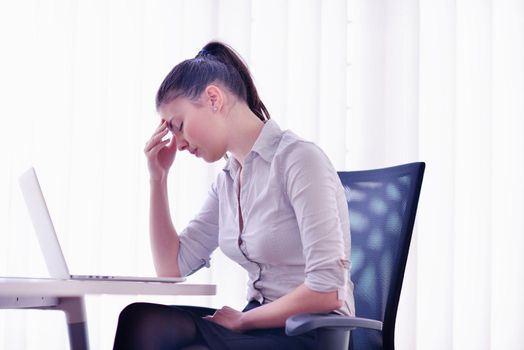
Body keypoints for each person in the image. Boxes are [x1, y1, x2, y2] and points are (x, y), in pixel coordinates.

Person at [113, 41, 355, 350]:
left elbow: (328, 291)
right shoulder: (229, 181)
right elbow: (171, 268)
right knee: (141, 320)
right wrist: (157, 178)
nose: (180, 143)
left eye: (180, 126)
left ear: (213, 98)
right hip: (257, 327)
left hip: (310, 333)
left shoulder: (299, 160)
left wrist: (244, 321)